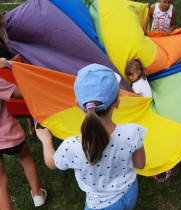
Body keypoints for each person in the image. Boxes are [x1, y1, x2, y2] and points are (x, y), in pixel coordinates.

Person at [36, 64, 146, 210]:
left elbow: (51, 163)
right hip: (130, 193)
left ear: (77, 104)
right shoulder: (133, 131)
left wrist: (45, 139)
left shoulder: (72, 147)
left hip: (100, 205)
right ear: (118, 102)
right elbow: (140, 164)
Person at [0, 77, 47, 209]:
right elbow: (22, 93)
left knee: (1, 184)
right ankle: (37, 195)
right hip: (10, 136)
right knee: (25, 158)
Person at [0, 14, 36, 135]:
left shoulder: (4, 30)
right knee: (27, 94)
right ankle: (33, 125)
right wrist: (12, 62)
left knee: (27, 94)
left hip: (14, 71)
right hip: (7, 74)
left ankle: (32, 125)